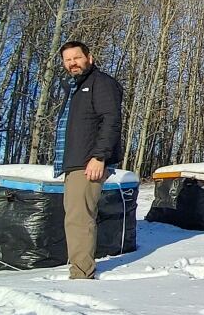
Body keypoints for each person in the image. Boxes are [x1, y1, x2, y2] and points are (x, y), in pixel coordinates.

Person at [54, 40, 123, 279]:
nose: (73, 63)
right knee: (75, 217)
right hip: (74, 161)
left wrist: (99, 156)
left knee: (79, 218)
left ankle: (81, 275)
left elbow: (111, 121)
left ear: (89, 58)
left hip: (89, 162)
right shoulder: (74, 88)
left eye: (77, 57)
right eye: (68, 59)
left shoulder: (101, 83)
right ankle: (80, 270)